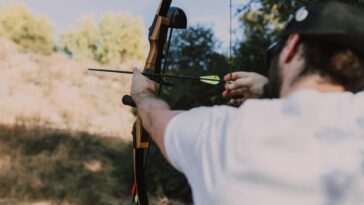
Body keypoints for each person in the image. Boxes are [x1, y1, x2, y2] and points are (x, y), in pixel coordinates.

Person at [130, 1, 364, 204]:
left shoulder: (220, 132)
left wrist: (143, 94)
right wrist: (268, 90)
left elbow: (156, 119)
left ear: (291, 46)